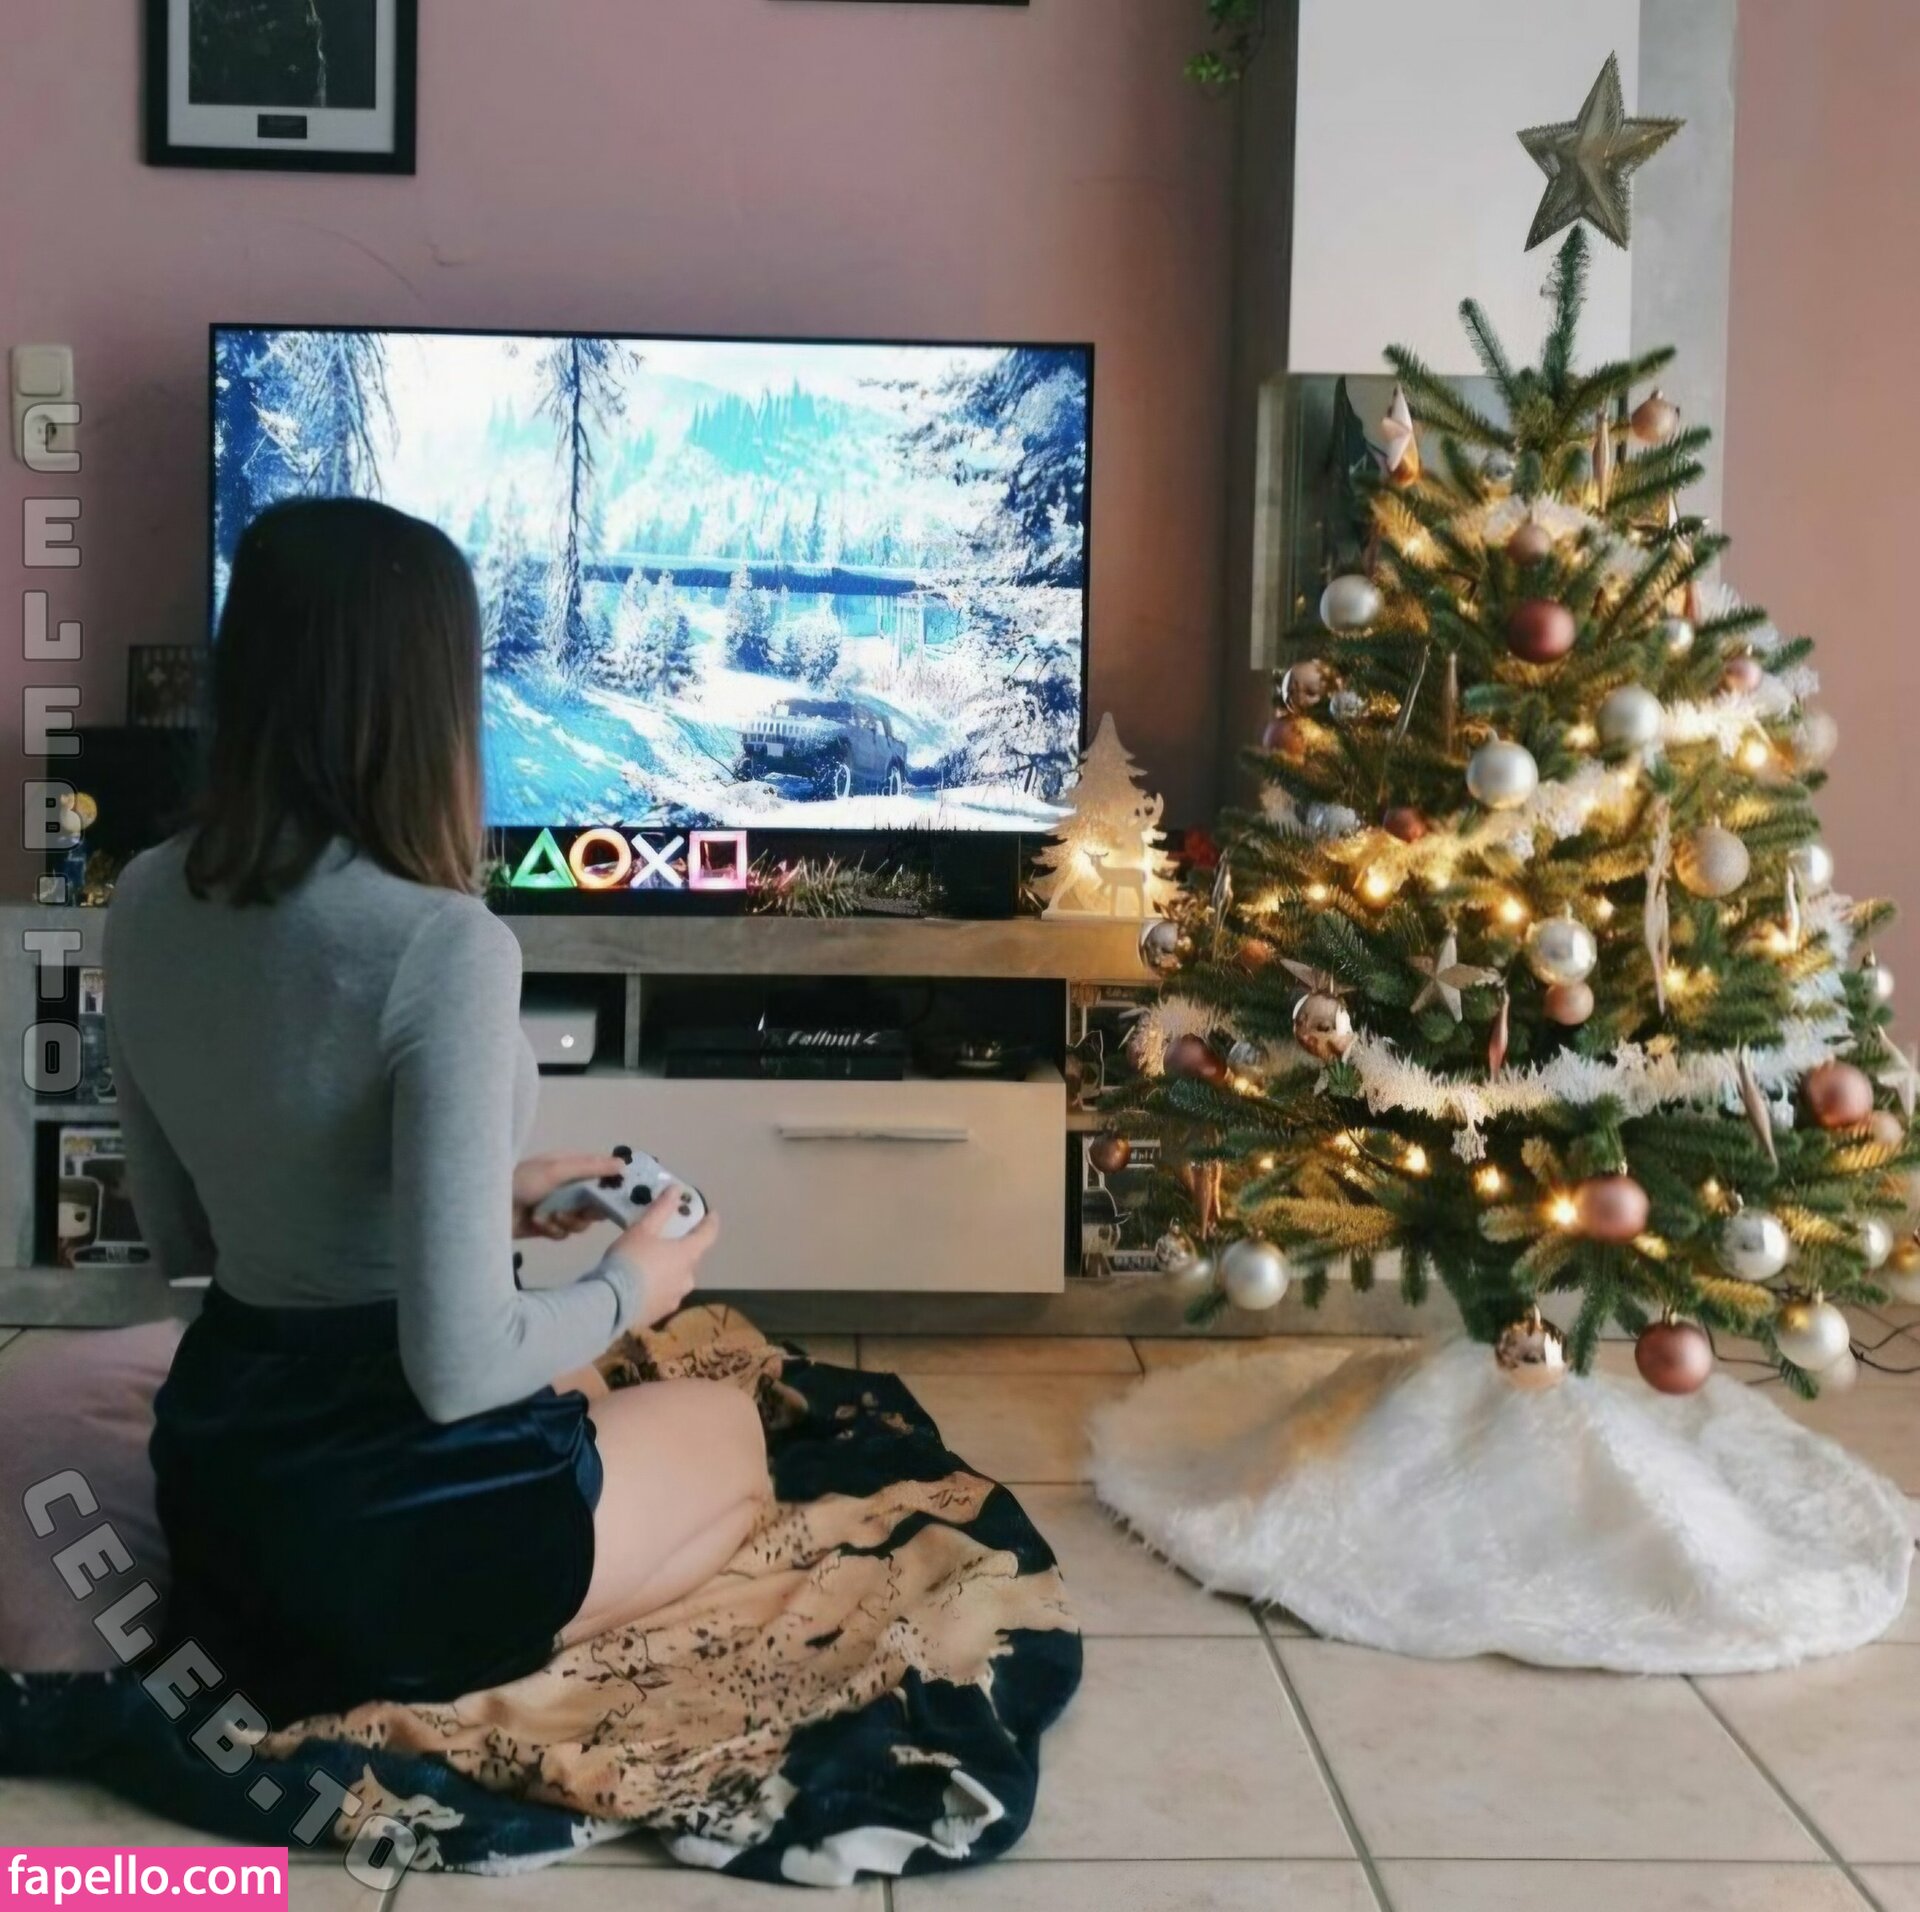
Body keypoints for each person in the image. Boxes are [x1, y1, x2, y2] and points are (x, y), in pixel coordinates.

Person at [105, 497, 772, 1724]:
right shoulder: (443, 943)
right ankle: (458, 1658)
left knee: (593, 1396)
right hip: (391, 1528)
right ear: (430, 698)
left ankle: (430, 1618)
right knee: (733, 1439)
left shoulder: (142, 899)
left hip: (225, 1490)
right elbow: (457, 1368)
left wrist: (495, 1194)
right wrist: (636, 1282)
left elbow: (192, 1240)